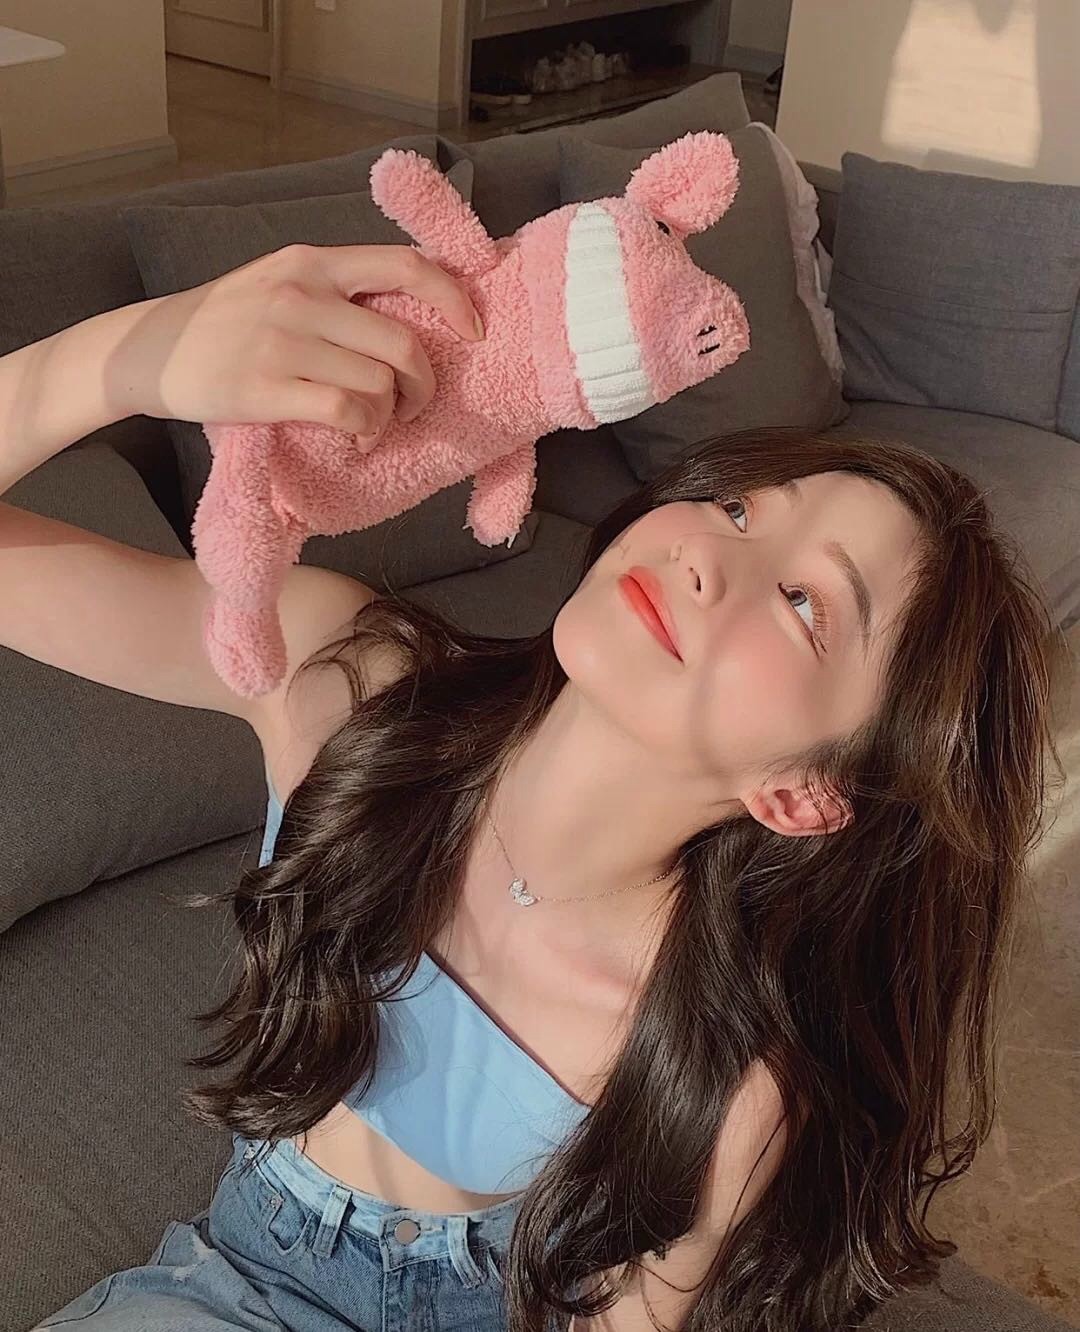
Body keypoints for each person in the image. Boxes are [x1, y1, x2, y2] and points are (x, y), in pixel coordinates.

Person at [5, 243, 1064, 1332]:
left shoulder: (723, 1079)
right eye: (741, 509)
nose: (707, 555)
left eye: (804, 604)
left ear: (803, 794)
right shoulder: (349, 685)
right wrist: (135, 357)